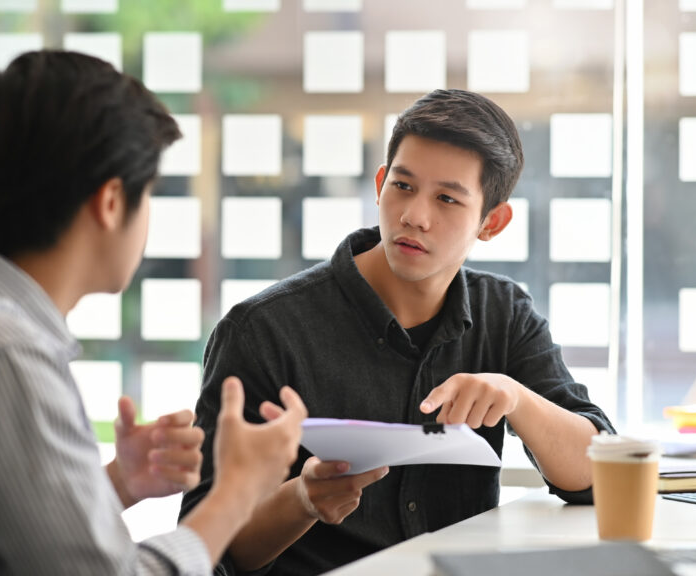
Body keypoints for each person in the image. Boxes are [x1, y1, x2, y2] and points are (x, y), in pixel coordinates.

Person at [0, 50, 307, 575]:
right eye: (147, 191)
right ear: (110, 203)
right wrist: (238, 492)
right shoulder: (3, 353)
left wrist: (116, 484)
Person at [180, 89, 616, 575]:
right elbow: (203, 552)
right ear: (381, 182)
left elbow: (600, 476)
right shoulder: (263, 331)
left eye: (447, 198)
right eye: (403, 187)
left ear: (491, 222)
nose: (414, 216)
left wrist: (515, 397)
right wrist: (302, 500)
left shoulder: (504, 313)